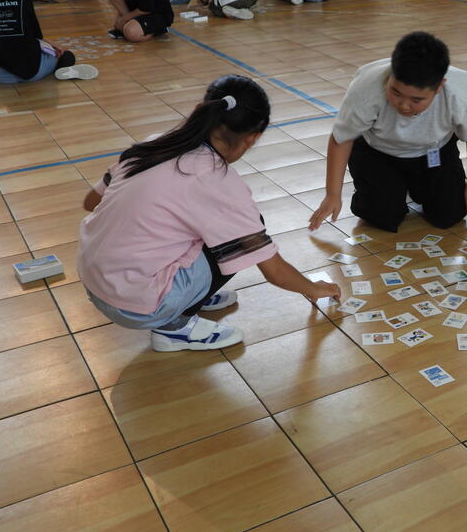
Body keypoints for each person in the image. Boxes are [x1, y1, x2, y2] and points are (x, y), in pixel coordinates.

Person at [78, 75, 341, 352]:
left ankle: (190, 295)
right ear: (253, 138)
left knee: (211, 227)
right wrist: (316, 288)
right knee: (242, 236)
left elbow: (90, 202)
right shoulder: (218, 182)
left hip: (95, 282)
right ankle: (173, 326)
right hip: (137, 307)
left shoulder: (156, 143)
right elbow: (274, 270)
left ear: (201, 111)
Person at [308, 31, 467, 233]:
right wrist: (332, 194)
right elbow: (341, 138)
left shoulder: (459, 90)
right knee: (382, 217)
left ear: (439, 86)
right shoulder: (366, 88)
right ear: (391, 75)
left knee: (450, 214)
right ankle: (392, 185)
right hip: (377, 152)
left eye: (416, 100)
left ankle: (412, 184)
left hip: (433, 151)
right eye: (395, 92)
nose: (404, 105)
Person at [0, 0, 97, 82]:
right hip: (30, 72)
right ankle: (62, 67)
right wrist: (52, 46)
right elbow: (36, 36)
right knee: (66, 55)